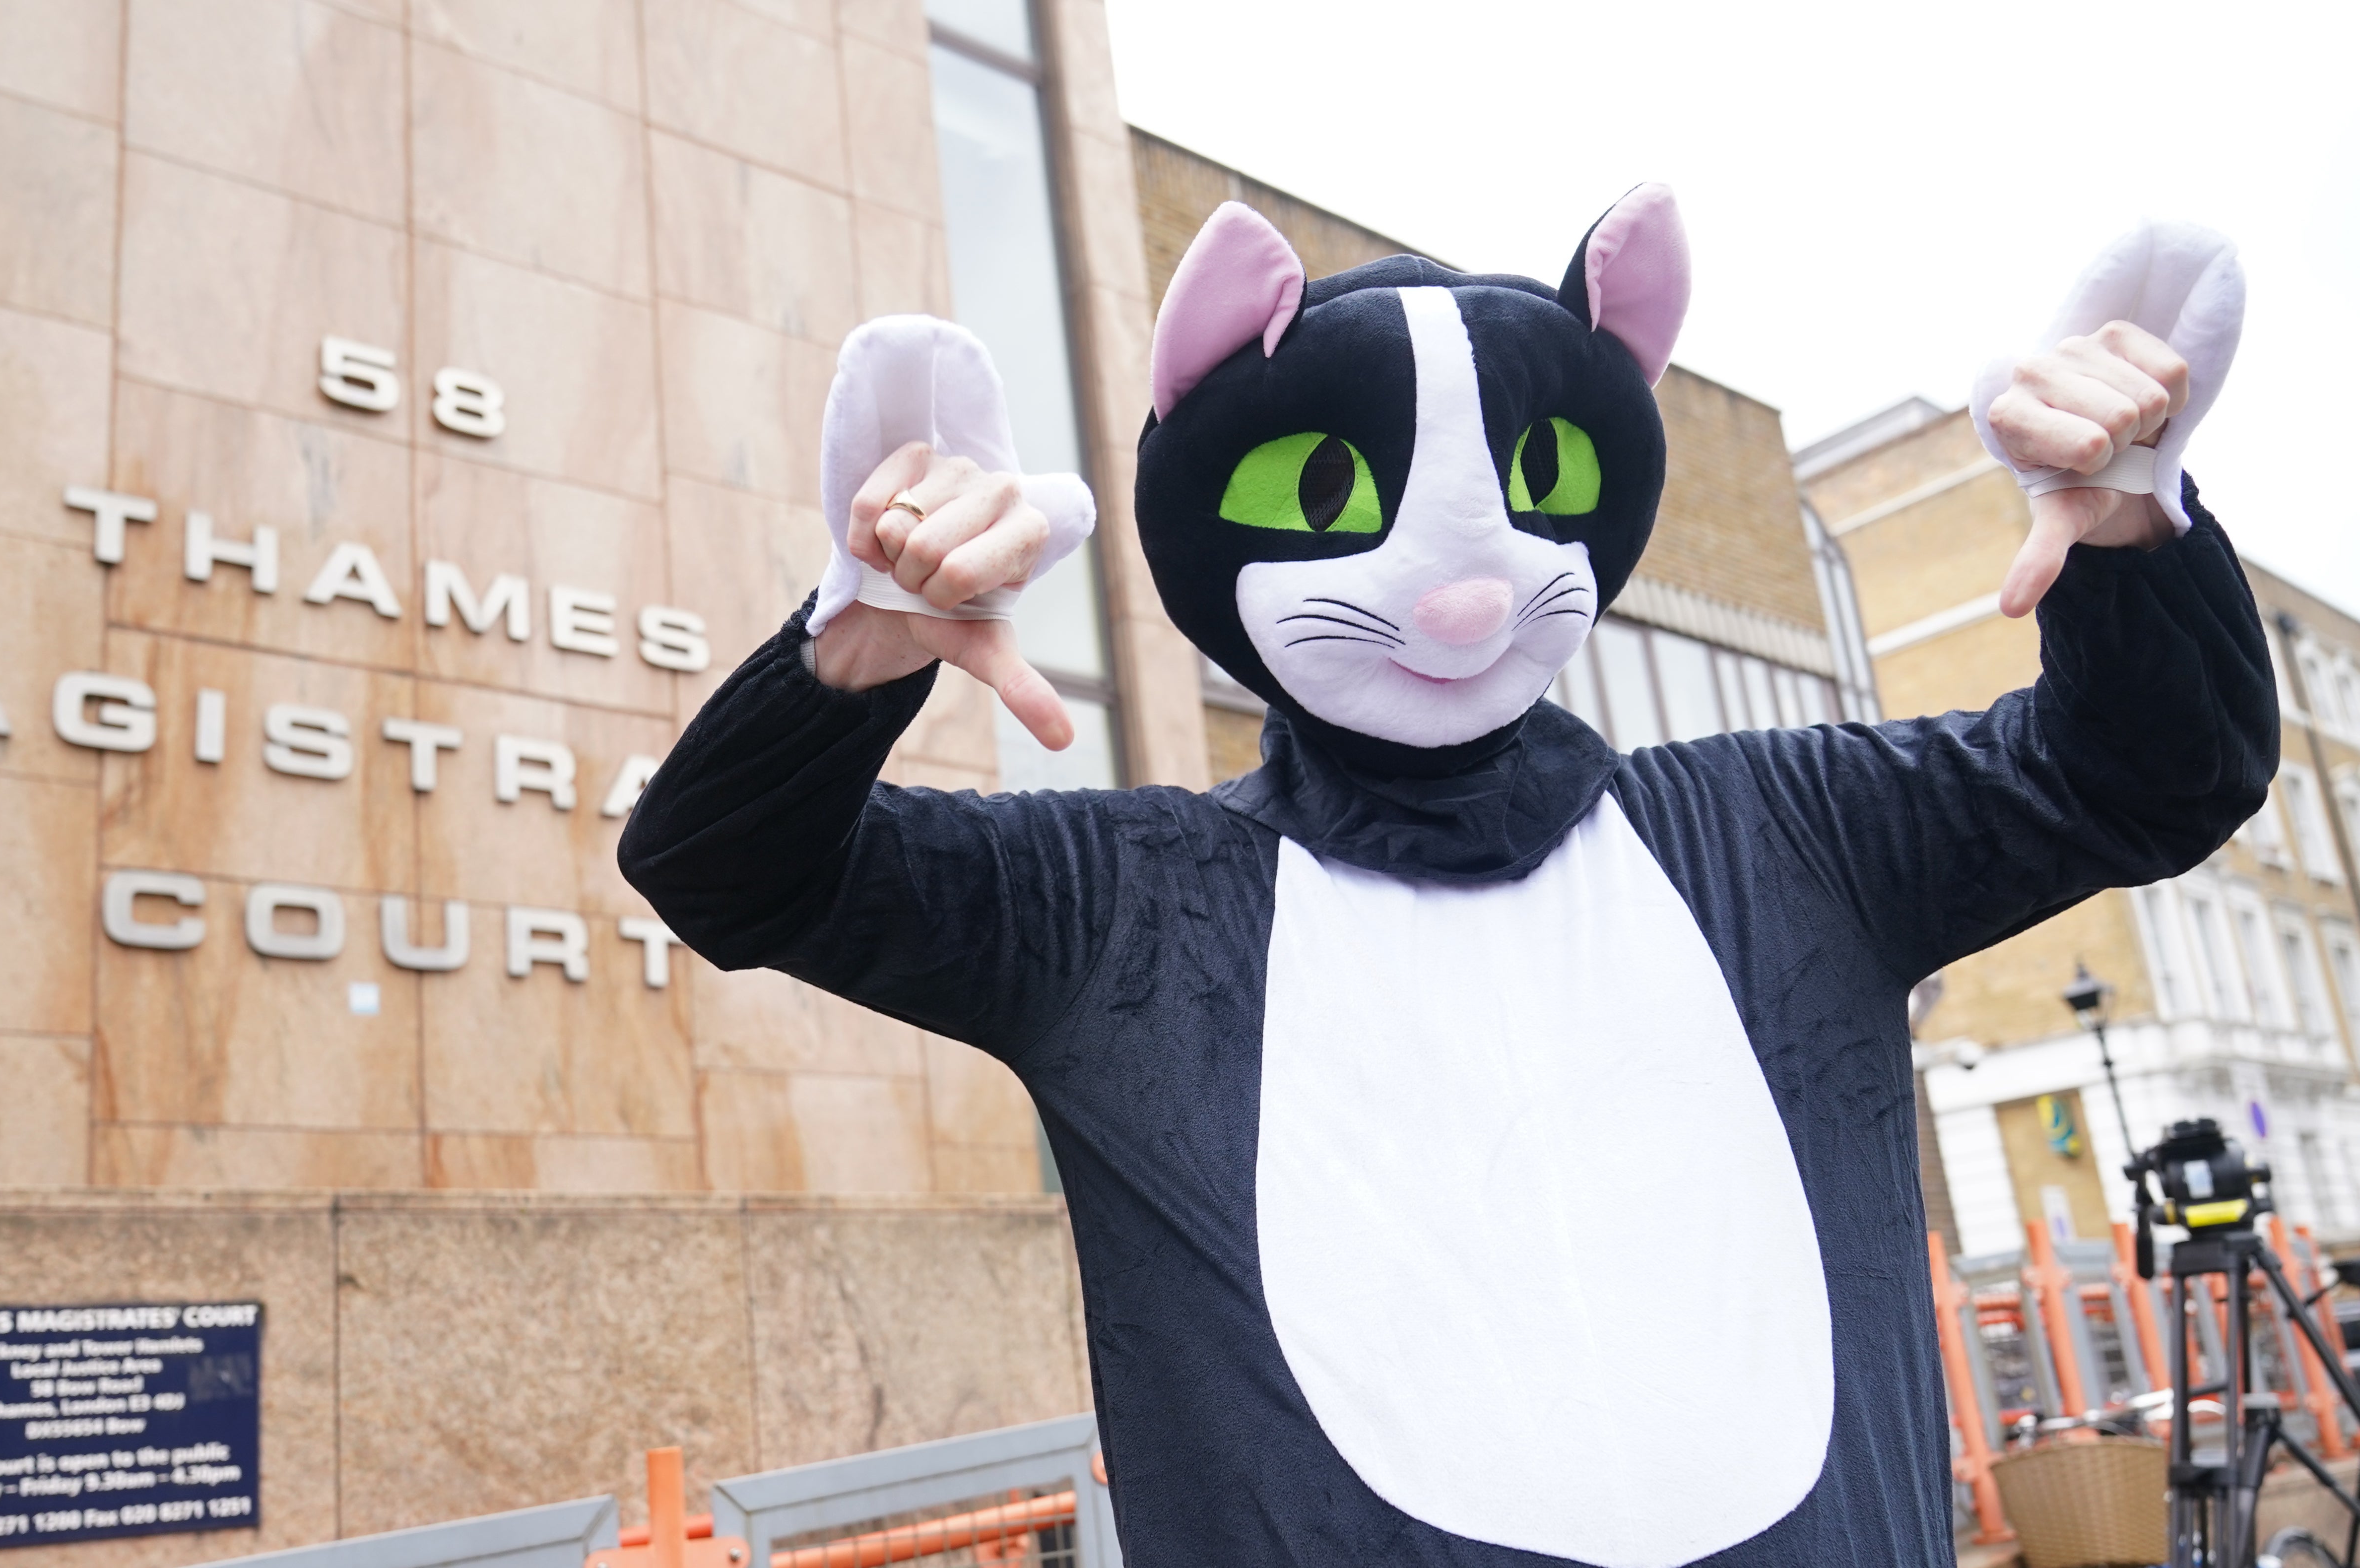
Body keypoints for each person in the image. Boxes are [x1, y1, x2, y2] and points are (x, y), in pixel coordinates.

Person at [619, 195, 2273, 1567]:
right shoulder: (1126, 907)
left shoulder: (1788, 833)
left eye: (1535, 495)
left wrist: (2132, 537)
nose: (1465, 597)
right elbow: (730, 869)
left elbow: (2145, 777)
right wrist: (855, 654)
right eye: (1333, 499)